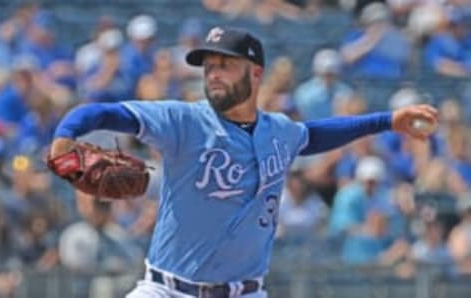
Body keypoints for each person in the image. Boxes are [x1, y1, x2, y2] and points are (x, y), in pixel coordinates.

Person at [49, 27, 438, 298]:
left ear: (255, 73)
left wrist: (387, 121)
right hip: (166, 289)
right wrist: (63, 140)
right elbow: (100, 112)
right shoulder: (182, 121)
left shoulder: (280, 132)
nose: (213, 74)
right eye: (209, 66)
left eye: (225, 64)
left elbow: (315, 134)